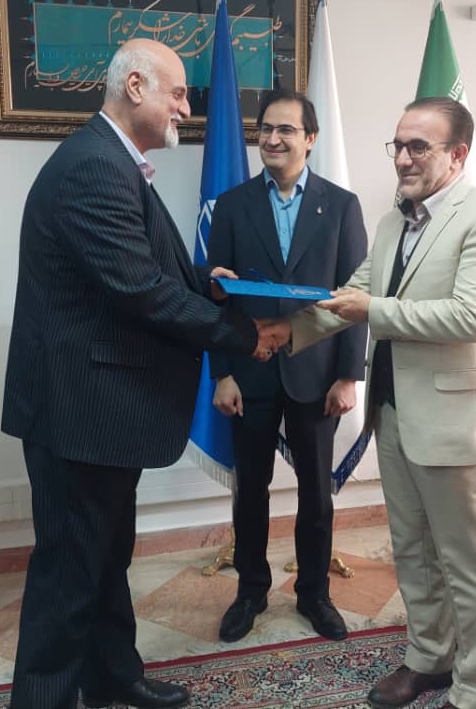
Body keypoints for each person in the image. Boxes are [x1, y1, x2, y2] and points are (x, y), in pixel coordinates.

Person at [1, 38, 283, 709]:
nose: (186, 108)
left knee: (104, 558)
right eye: (178, 93)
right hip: (79, 413)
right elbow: (140, 292)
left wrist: (206, 283)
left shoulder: (113, 161)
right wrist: (247, 335)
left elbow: (146, 268)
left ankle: (111, 677)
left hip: (100, 410)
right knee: (69, 576)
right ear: (135, 87)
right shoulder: (95, 168)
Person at [264, 97, 476, 709]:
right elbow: (352, 293)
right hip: (394, 412)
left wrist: (372, 310)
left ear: (457, 155)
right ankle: (429, 658)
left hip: (451, 418)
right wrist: (282, 332)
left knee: (463, 559)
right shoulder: (392, 222)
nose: (403, 158)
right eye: (398, 145)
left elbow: (469, 316)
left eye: (418, 147)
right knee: (411, 549)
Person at [207, 90, 367, 643]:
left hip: (316, 375)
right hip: (248, 373)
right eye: (265, 129)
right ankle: (250, 591)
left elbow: (354, 295)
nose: (272, 139)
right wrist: (222, 373)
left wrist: (348, 375)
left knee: (316, 494)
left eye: (286, 130)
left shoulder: (341, 206)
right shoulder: (231, 205)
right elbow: (216, 298)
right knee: (249, 491)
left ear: (311, 139)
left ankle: (314, 594)